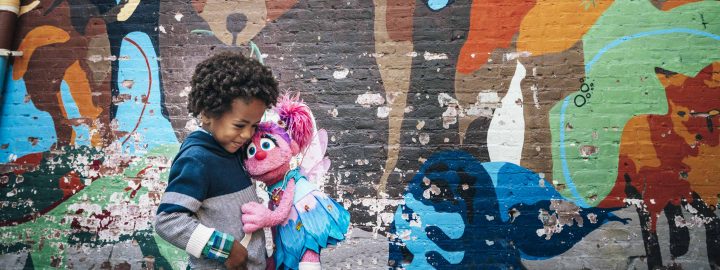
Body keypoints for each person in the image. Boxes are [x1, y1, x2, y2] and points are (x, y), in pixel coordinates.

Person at [155, 51, 280, 270]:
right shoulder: (197, 160)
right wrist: (225, 248)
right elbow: (168, 220)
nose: (248, 135)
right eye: (240, 125)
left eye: (254, 125)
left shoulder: (233, 151)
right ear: (207, 114)